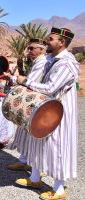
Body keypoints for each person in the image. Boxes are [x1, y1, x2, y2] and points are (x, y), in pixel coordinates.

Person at [16, 27, 79, 200]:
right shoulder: (52, 59)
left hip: (59, 112)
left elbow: (51, 88)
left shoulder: (66, 63)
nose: (47, 41)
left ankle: (59, 190)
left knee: (58, 147)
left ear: (61, 42)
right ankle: (35, 178)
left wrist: (25, 81)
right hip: (46, 109)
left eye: (50, 39)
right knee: (38, 141)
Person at [7, 38, 48, 171]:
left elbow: (30, 81)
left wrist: (13, 79)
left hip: (36, 102)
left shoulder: (41, 63)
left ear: (41, 49)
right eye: (28, 48)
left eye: (32, 48)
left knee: (29, 132)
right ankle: (24, 160)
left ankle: (31, 164)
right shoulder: (37, 62)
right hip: (32, 101)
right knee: (24, 131)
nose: (28, 51)